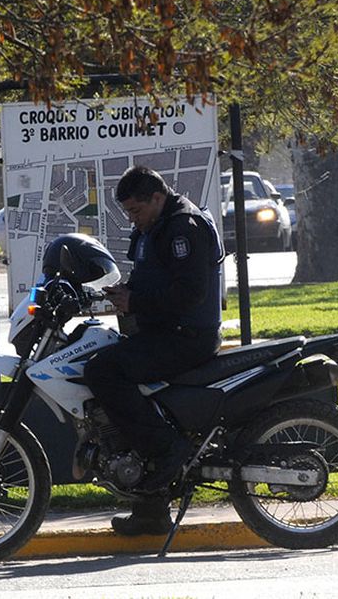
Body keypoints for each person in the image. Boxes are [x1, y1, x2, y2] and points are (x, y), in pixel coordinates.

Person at [82, 166, 224, 537]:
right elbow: (154, 279)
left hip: (186, 337)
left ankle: (168, 448)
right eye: (128, 212)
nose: (133, 218)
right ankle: (150, 512)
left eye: (136, 211)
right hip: (165, 331)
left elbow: (190, 293)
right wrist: (121, 294)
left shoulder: (183, 228)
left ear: (157, 198)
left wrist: (136, 301)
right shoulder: (156, 226)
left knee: (103, 372)